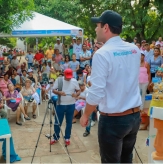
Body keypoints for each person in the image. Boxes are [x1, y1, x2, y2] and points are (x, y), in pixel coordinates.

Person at [80, 10, 142, 163]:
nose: (96, 29)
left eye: (98, 25)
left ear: (106, 27)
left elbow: (96, 93)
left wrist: (86, 114)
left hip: (114, 120)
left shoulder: (102, 54)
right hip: (133, 117)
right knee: (126, 159)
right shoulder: (134, 49)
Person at [51, 68, 80, 146]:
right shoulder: (59, 80)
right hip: (60, 104)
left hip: (71, 104)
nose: (68, 78)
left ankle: (67, 137)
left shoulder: (74, 81)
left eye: (70, 76)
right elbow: (53, 90)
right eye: (67, 76)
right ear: (64, 74)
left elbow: (78, 90)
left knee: (69, 122)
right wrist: (59, 92)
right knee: (57, 122)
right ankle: (56, 137)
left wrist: (76, 95)